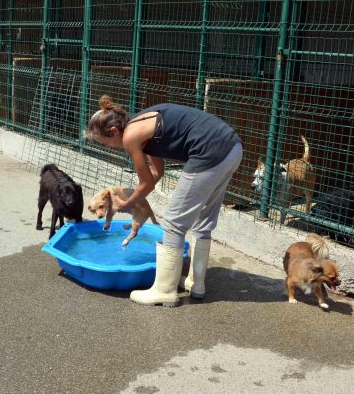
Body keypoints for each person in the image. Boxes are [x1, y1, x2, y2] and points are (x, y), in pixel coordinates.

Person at [87, 95, 243, 307]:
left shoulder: (130, 136)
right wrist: (135, 196)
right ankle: (195, 284)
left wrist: (127, 203)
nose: (109, 147)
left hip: (209, 151)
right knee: (203, 220)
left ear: (114, 131)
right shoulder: (141, 123)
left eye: (106, 143)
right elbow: (156, 174)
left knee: (172, 222)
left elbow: (147, 184)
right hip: (232, 147)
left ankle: (164, 291)